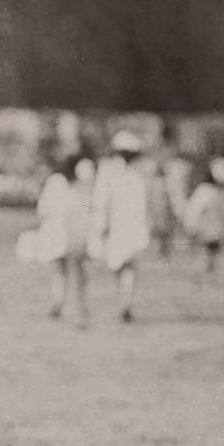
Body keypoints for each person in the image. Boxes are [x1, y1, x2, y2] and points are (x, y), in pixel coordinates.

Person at [89, 130, 150, 322]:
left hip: (122, 226)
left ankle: (125, 304)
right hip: (123, 226)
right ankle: (125, 303)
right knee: (124, 266)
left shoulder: (124, 173)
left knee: (124, 265)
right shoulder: (129, 173)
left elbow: (101, 200)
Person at [35, 152, 94, 326]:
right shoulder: (73, 185)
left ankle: (59, 304)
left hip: (63, 235)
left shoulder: (57, 182)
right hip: (72, 235)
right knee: (76, 273)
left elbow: (42, 210)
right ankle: (76, 307)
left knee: (62, 272)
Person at [183, 156, 224, 278]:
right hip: (205, 228)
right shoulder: (205, 190)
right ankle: (200, 277)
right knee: (203, 253)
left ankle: (209, 276)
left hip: (217, 228)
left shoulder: (222, 191)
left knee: (213, 253)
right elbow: (194, 209)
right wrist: (191, 225)